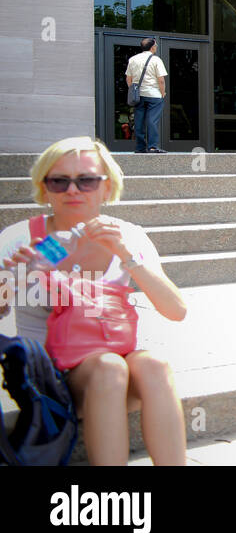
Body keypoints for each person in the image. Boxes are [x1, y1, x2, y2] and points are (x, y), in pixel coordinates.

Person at [0, 137, 188, 465]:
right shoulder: (20, 240)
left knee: (153, 365)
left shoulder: (127, 236)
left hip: (115, 366)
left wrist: (128, 258)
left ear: (106, 187)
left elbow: (176, 310)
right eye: (59, 181)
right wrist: (12, 279)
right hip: (46, 378)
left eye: (86, 180)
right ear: (44, 189)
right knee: (108, 366)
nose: (73, 190)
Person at [125, 37, 167, 154]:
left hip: (139, 95)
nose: (157, 47)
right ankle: (153, 147)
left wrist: (133, 90)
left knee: (139, 121)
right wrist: (162, 93)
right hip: (154, 94)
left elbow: (129, 78)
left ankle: (140, 147)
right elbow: (161, 80)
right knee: (152, 121)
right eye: (156, 45)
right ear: (152, 47)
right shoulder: (156, 60)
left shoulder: (132, 59)